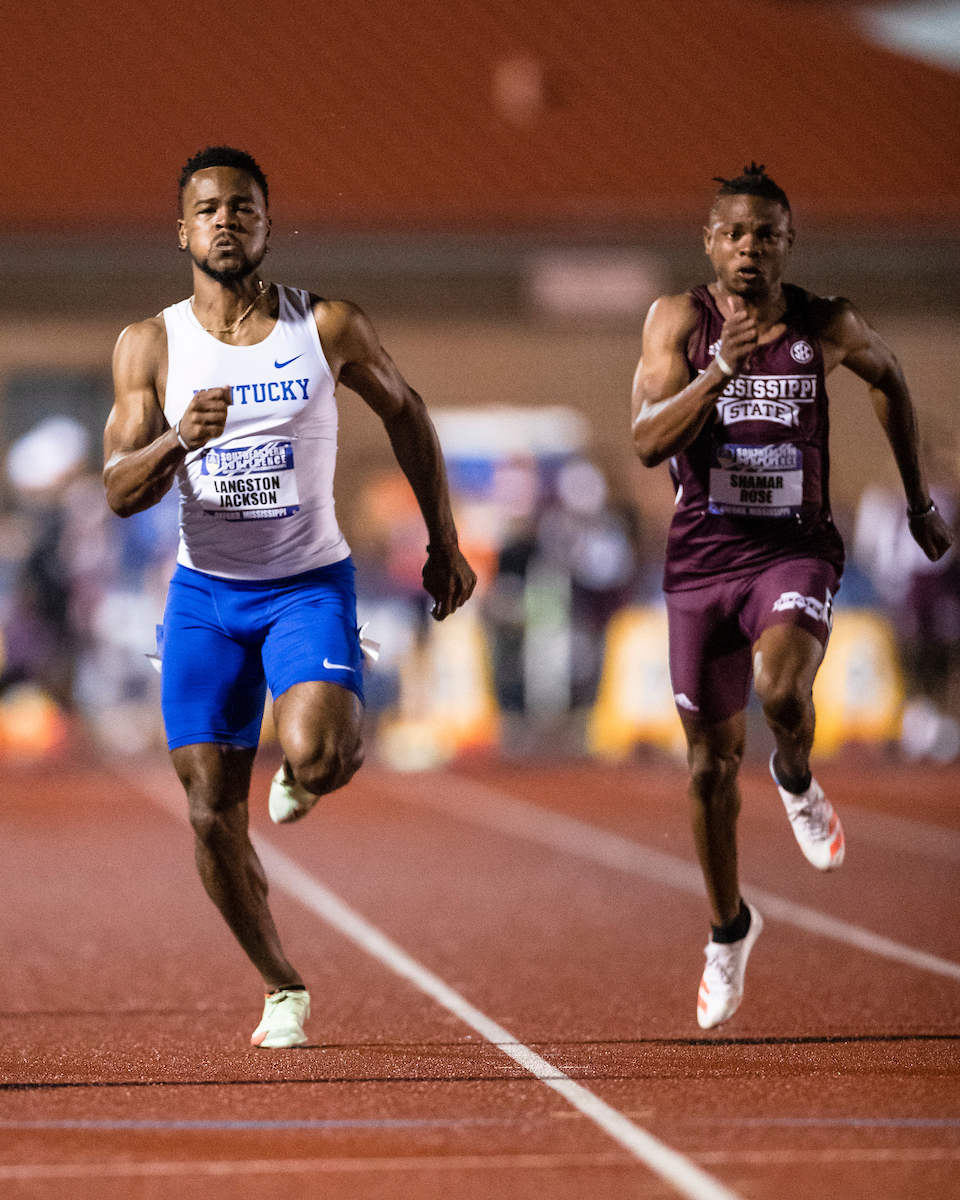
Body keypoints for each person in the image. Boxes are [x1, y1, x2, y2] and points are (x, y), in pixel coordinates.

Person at [104, 147, 476, 1048]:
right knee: (208, 813)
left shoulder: (328, 326)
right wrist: (175, 443)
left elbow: (409, 411)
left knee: (318, 754)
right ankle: (281, 985)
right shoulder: (149, 346)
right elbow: (118, 489)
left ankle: (310, 774)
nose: (226, 220)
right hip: (204, 600)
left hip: (306, 585)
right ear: (182, 230)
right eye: (208, 208)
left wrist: (445, 540)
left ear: (269, 226)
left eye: (244, 207)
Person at [630, 164, 952, 1030]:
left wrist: (917, 499)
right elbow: (644, 442)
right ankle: (729, 929)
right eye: (733, 233)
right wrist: (715, 378)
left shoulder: (825, 324)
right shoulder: (676, 320)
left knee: (782, 691)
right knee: (706, 767)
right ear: (709, 241)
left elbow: (891, 381)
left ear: (787, 243)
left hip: (794, 553)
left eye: (766, 234)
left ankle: (798, 773)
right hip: (701, 566)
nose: (749, 249)